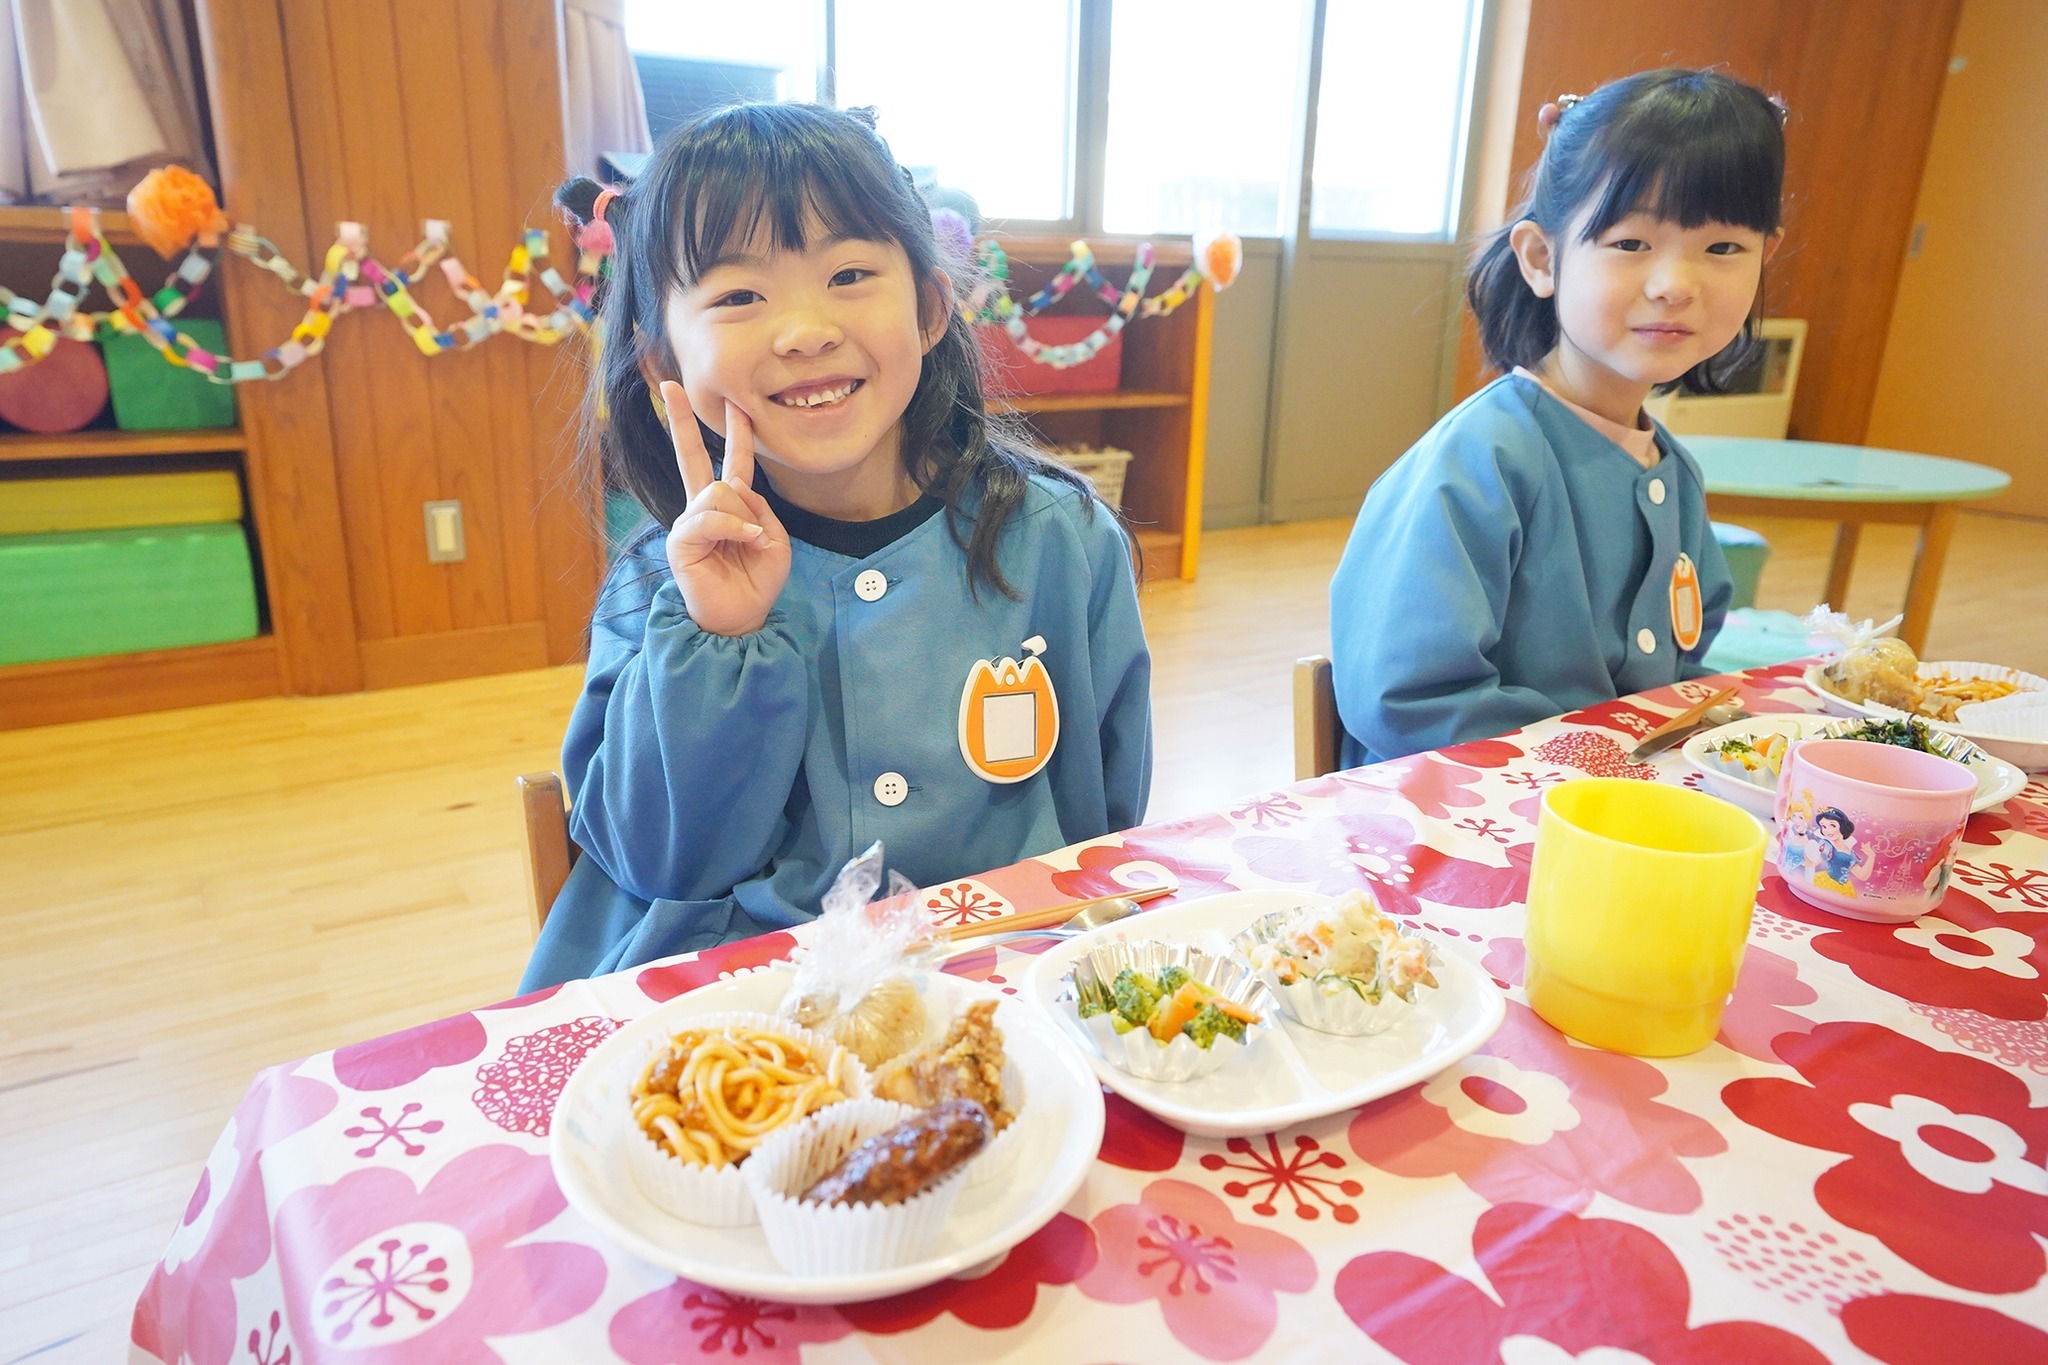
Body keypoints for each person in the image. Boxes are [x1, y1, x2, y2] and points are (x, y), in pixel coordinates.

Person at [521, 103, 1151, 991]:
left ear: (931, 307)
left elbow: (1100, 822)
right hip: (743, 1008)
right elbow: (657, 862)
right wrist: (719, 638)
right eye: (738, 295)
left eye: (850, 272)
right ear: (661, 358)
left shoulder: (1063, 543)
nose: (805, 330)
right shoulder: (658, 582)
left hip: (1005, 983)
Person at [1330, 68, 1784, 765]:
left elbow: (1679, 675)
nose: (1674, 285)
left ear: (1764, 257)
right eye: (1631, 243)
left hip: (1612, 825)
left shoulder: (1675, 472)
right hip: (1461, 831)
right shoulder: (1481, 460)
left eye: (1723, 248)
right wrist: (1611, 757)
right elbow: (1408, 699)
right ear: (1543, 258)